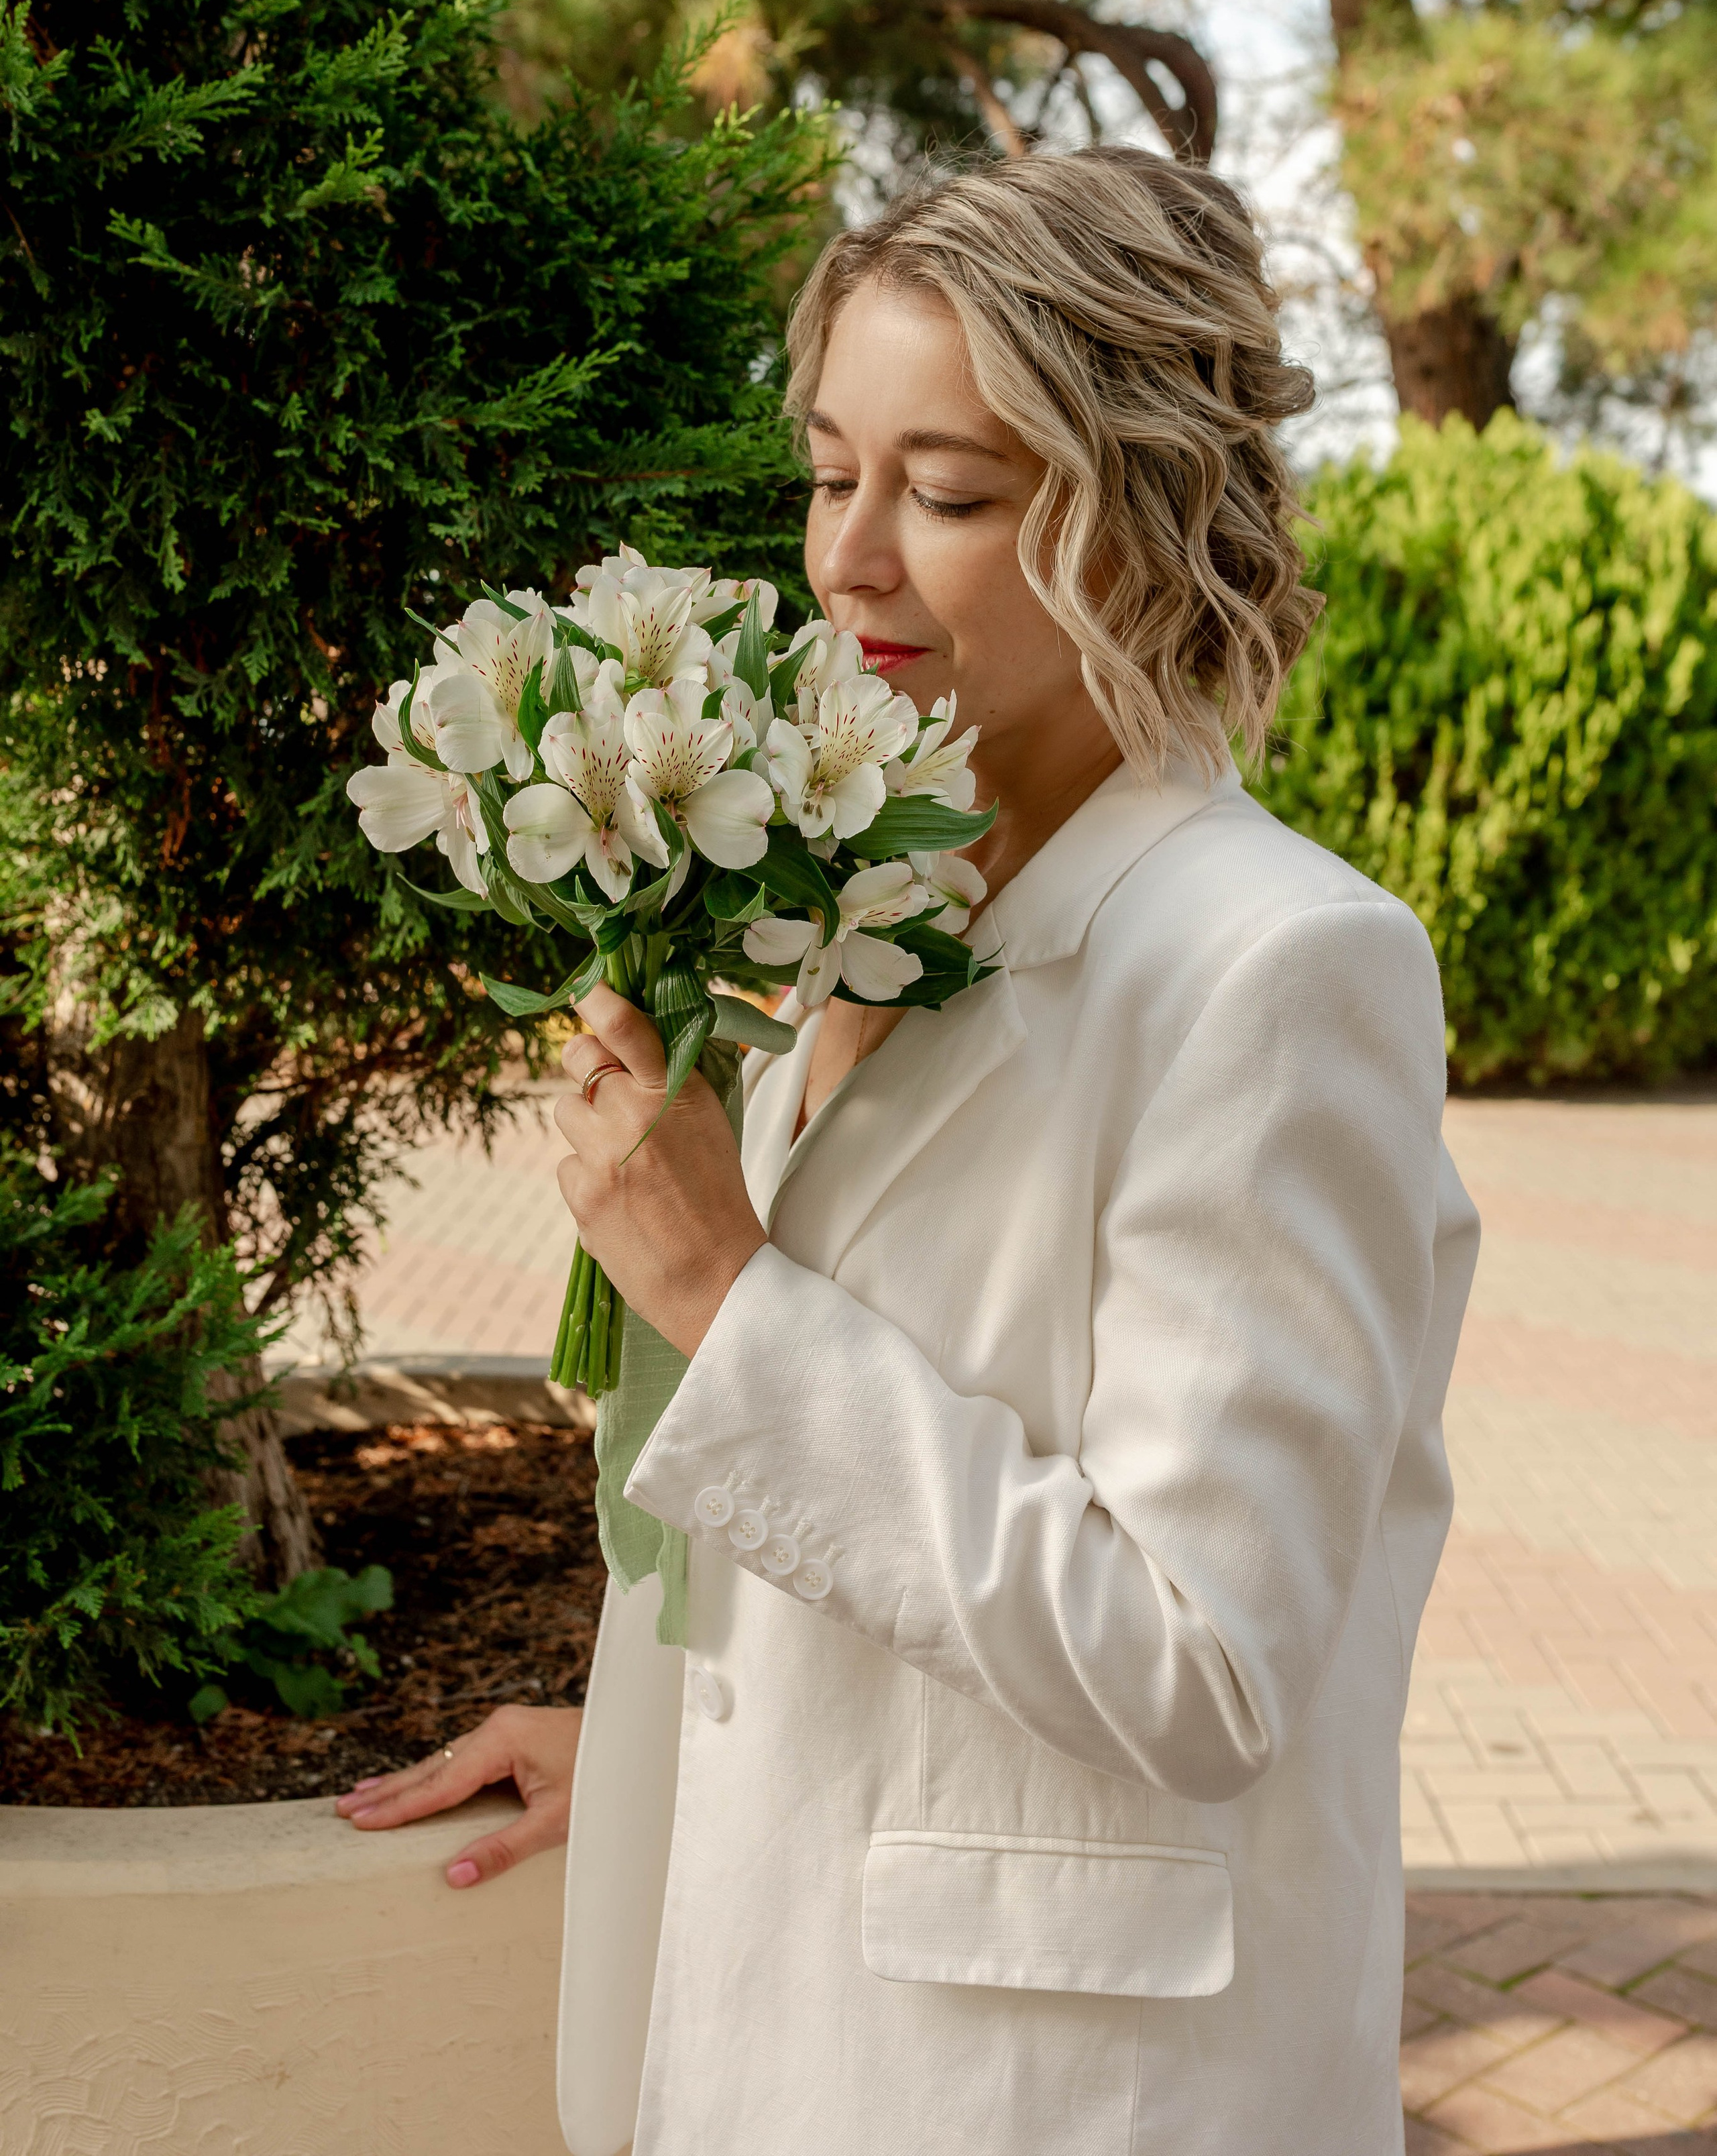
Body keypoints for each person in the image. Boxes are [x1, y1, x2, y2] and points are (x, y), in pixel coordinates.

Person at [338, 146, 1479, 2156]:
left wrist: (717, 1290)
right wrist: (678, 1726)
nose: (849, 556)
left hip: (1049, 2097)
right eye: (828, 469)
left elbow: (1200, 1662)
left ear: (1143, 519)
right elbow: (864, 1533)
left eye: (948, 493)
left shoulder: (1283, 970)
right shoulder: (864, 909)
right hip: (748, 2005)